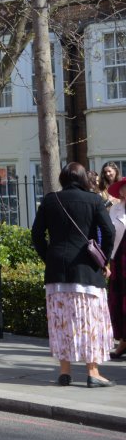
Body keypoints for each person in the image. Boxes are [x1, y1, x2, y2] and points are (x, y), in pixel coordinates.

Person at [32, 162, 116, 387]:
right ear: (83, 179)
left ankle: (64, 371)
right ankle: (92, 372)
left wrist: (48, 257)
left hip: (57, 269)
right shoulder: (94, 200)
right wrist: (103, 259)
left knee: (61, 321)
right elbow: (109, 232)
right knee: (90, 320)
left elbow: (36, 235)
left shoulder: (50, 200)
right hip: (86, 269)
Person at [106, 177, 126, 360]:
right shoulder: (115, 209)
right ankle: (123, 341)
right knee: (120, 299)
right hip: (120, 258)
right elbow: (108, 232)